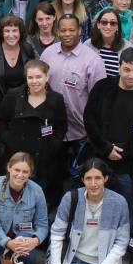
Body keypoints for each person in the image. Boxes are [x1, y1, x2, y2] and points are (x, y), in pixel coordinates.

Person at [85, 48, 133, 220]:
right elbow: (90, 120)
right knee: (97, 208)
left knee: (128, 210)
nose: (131, 75)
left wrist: (124, 152)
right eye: (127, 70)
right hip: (102, 160)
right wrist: (106, 149)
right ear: (119, 67)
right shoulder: (102, 88)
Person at [49, 159, 130, 264]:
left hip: (103, 261)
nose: (93, 183)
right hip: (76, 261)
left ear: (106, 179)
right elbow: (57, 234)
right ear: (82, 179)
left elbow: (122, 242)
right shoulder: (71, 198)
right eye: (88, 178)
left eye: (98, 178)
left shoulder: (119, 202)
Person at [40, 14, 107, 180]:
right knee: (51, 175)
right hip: (51, 129)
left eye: (71, 30)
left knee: (76, 178)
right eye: (63, 30)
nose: (67, 34)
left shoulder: (93, 60)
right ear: (57, 31)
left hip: (80, 133)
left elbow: (99, 100)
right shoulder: (48, 54)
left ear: (79, 31)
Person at [0, 59, 68, 203]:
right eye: (30, 77)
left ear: (47, 77)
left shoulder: (56, 99)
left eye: (39, 77)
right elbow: (1, 121)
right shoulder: (14, 96)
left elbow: (61, 126)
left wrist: (53, 145)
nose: (35, 81)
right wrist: (9, 140)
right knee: (11, 199)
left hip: (43, 161)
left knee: (36, 200)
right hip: (16, 158)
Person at [0, 16, 37, 132]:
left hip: (25, 108)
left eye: (15, 30)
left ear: (20, 32)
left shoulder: (28, 49)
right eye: (7, 31)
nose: (11, 35)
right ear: (1, 33)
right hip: (1, 110)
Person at [84, 7, 133, 78]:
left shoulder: (128, 47)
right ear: (98, 25)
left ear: (118, 27)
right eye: (104, 22)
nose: (108, 27)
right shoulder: (88, 45)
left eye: (113, 23)